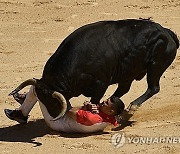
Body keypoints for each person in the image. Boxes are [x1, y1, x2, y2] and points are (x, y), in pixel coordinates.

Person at [4, 86, 125, 133]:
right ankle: (27, 99)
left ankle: (22, 114)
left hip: (56, 121)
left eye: (106, 103)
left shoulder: (92, 118)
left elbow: (69, 111)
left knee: (38, 88)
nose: (103, 101)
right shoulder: (108, 117)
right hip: (66, 120)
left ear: (111, 111)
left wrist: (85, 107)